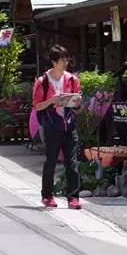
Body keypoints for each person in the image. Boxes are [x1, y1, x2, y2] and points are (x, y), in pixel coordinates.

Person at [32, 45, 83, 210]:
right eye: (62, 60)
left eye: (67, 59)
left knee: (72, 163)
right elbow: (37, 106)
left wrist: (77, 103)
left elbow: (78, 106)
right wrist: (51, 101)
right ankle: (47, 196)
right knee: (51, 161)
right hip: (51, 125)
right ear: (54, 62)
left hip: (69, 124)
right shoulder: (43, 81)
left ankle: (73, 198)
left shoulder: (72, 79)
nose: (66, 63)